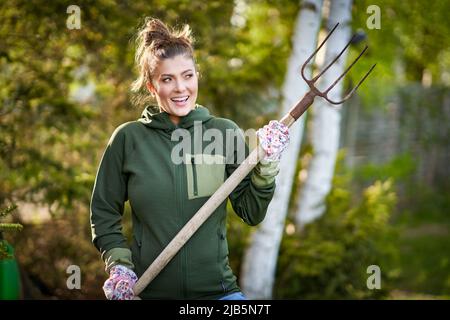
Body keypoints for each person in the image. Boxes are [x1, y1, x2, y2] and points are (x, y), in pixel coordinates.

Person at [90, 18, 290, 300]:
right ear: (151, 86)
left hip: (218, 293)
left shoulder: (224, 133)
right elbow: (103, 213)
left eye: (187, 75)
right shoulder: (128, 139)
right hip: (149, 292)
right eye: (167, 79)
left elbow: (251, 212)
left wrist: (266, 168)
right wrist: (120, 266)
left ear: (197, 75)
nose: (180, 88)